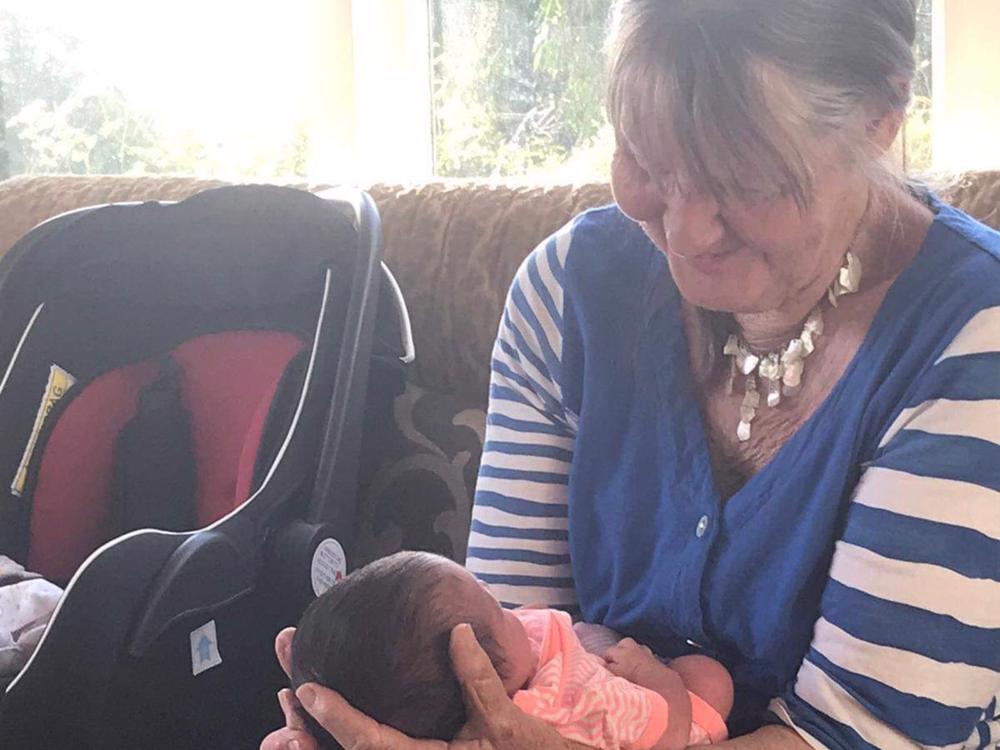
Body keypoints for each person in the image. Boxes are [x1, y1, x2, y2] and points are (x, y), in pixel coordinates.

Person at [263, 1, 1000, 747]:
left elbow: (856, 736)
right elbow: (507, 652)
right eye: (646, 161)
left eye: (747, 180)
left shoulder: (975, 345)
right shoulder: (567, 293)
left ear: (881, 117)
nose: (683, 232)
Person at [290, 551, 732, 750]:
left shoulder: (504, 667)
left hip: (594, 656)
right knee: (710, 677)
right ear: (483, 678)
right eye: (498, 609)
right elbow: (669, 735)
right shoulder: (572, 706)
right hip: (663, 715)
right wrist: (652, 672)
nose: (510, 610)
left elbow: (524, 630)